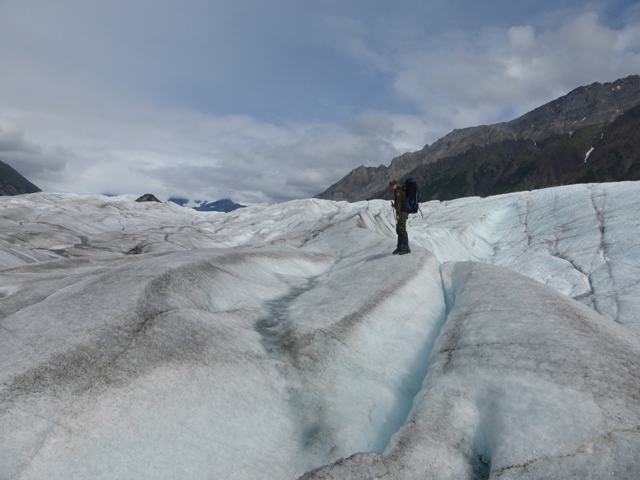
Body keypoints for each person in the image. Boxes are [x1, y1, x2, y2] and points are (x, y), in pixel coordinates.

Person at [389, 180, 410, 255]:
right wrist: (394, 206)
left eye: (392, 185)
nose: (391, 186)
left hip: (402, 212)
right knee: (400, 230)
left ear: (396, 185)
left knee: (401, 230)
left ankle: (405, 247)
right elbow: (401, 202)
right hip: (403, 212)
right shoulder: (400, 191)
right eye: (391, 185)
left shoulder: (398, 192)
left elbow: (398, 204)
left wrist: (397, 214)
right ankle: (400, 247)